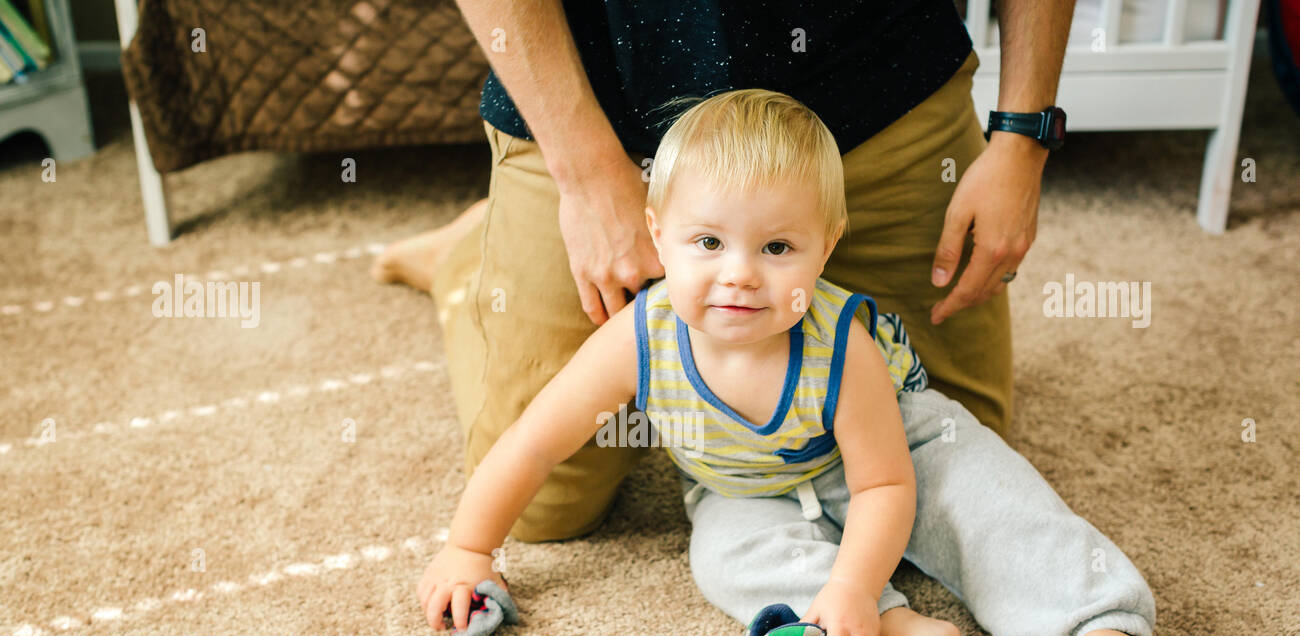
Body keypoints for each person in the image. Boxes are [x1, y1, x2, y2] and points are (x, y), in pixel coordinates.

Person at [417, 90, 1161, 636]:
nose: (738, 272)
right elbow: (533, 443)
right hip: (746, 486)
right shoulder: (639, 337)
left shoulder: (843, 348)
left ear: (825, 246)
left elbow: (884, 489)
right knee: (727, 558)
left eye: (777, 247)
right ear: (657, 236)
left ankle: (1093, 619)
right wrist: (469, 549)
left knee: (986, 496)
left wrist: (849, 584)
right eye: (707, 242)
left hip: (893, 450)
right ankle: (910, 633)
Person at [376, 0, 1078, 544]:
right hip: (598, 103)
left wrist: (1024, 137)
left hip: (876, 82)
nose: (740, 278)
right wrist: (586, 175)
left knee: (954, 454)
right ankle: (470, 255)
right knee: (548, 513)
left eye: (774, 255)